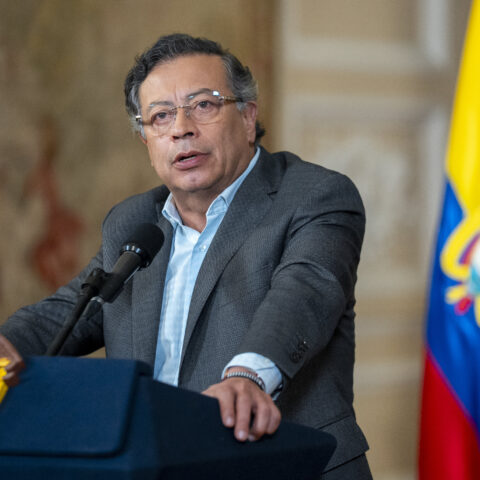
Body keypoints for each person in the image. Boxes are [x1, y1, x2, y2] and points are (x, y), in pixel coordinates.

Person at [0, 34, 371, 478]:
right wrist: (7, 344)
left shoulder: (314, 195)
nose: (181, 129)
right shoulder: (133, 221)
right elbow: (75, 307)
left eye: (203, 105)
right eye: (160, 116)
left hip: (287, 466)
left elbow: (304, 293)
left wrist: (247, 377)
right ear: (146, 140)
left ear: (248, 117)